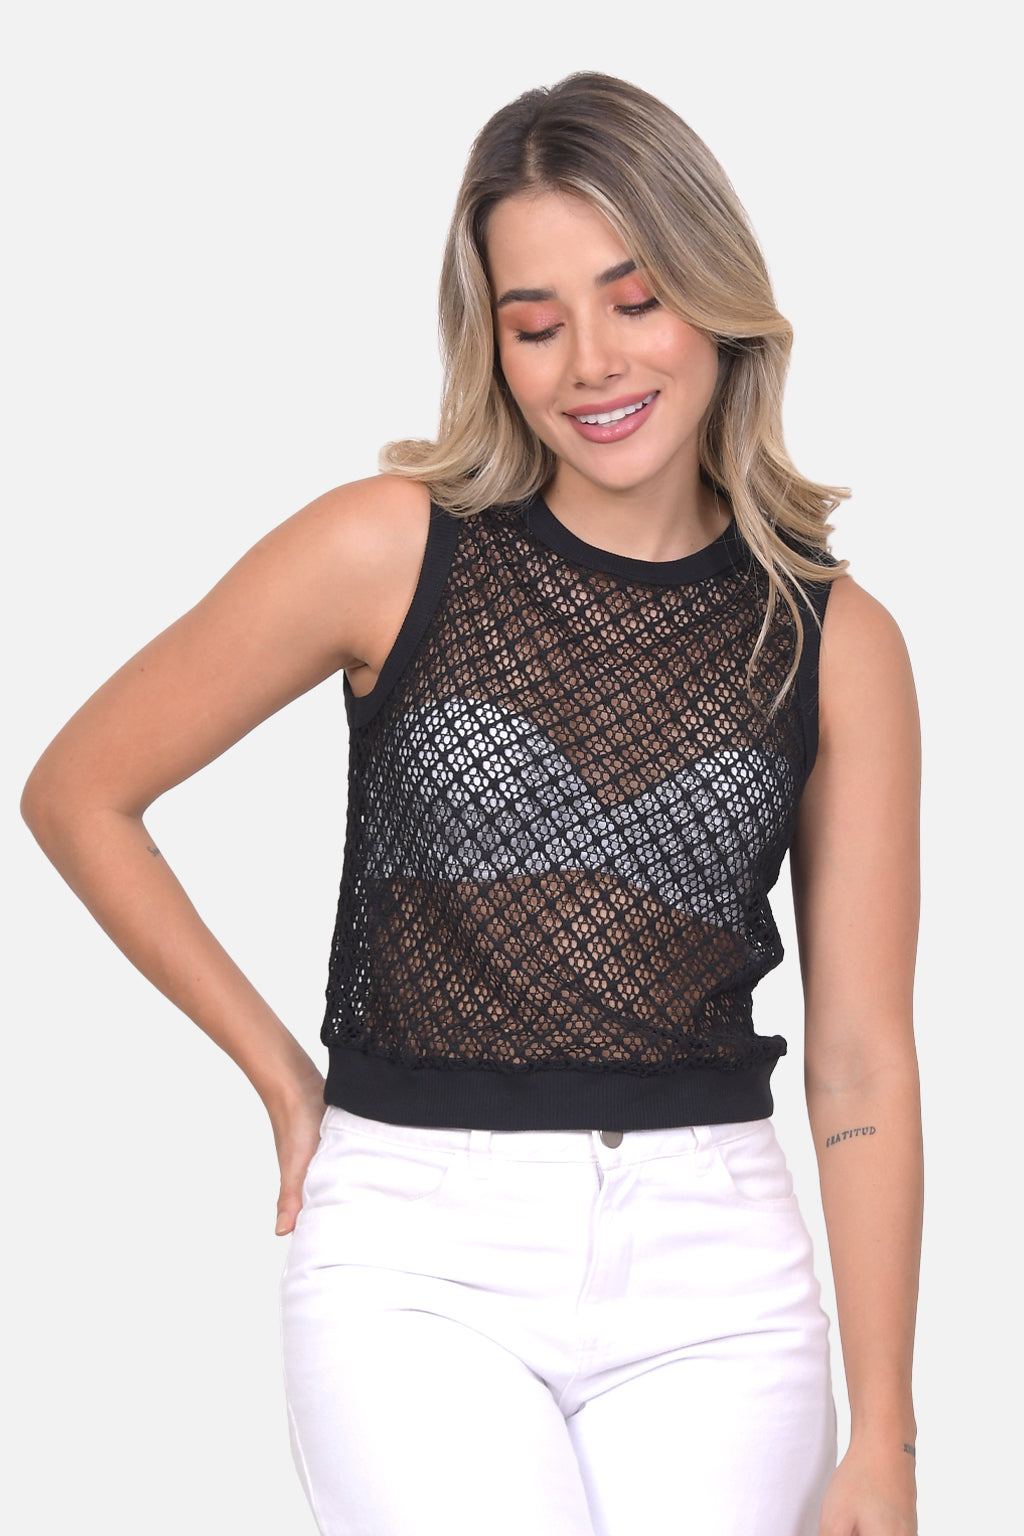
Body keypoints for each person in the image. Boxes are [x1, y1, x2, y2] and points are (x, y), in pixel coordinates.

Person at [21, 71, 922, 1536]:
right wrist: (283, 1078)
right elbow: (81, 792)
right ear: (490, 342)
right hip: (413, 1263)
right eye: (535, 321)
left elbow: (865, 1062)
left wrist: (884, 1431)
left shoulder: (835, 641)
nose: (591, 363)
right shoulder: (388, 550)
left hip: (720, 1280)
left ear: (714, 300)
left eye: (636, 300)